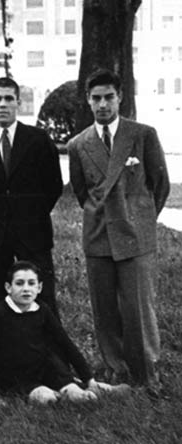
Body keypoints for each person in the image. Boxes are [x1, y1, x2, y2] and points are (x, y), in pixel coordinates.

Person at [67, 69, 170, 387]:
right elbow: (83, 192)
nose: (102, 104)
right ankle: (115, 367)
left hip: (135, 235)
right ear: (87, 100)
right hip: (98, 234)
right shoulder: (78, 144)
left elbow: (160, 184)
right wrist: (101, 215)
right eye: (96, 98)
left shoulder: (142, 134)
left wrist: (140, 219)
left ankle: (146, 370)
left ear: (120, 97)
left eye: (108, 97)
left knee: (138, 305)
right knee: (105, 306)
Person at [0, 77, 63, 316]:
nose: (2, 104)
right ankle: (7, 349)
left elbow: (53, 185)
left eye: (8, 99)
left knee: (43, 297)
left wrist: (31, 211)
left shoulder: (38, 140)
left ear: (18, 103)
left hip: (33, 231)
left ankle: (49, 351)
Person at [0, 261, 129, 405]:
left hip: (45, 368)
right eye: (19, 283)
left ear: (39, 287)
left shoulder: (42, 309)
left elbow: (65, 343)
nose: (26, 289)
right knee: (46, 399)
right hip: (17, 376)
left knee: (76, 394)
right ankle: (58, 395)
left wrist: (88, 378)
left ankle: (89, 388)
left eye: (31, 283)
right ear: (8, 287)